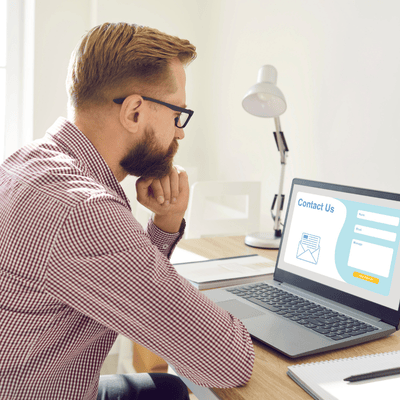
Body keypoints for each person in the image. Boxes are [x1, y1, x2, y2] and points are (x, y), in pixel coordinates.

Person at [0, 23, 255, 400]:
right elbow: (228, 359)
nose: (180, 133)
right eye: (177, 115)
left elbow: (128, 285)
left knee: (167, 388)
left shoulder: (27, 161)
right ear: (135, 112)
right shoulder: (84, 211)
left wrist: (165, 223)